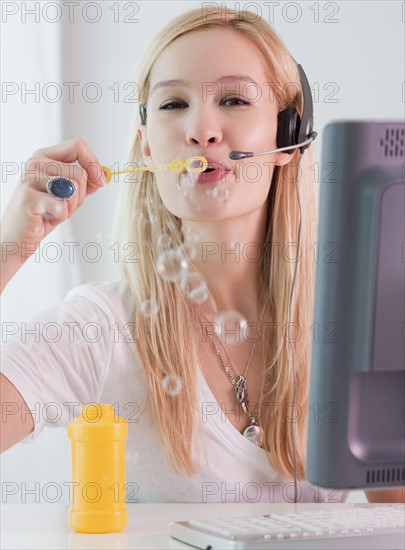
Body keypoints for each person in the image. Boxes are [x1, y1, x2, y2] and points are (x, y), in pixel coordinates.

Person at [0, 6, 400, 504]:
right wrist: (8, 249)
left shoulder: (346, 327)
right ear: (147, 150)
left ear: (289, 137)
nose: (201, 129)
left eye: (232, 99)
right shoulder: (101, 328)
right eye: (172, 104)